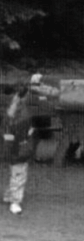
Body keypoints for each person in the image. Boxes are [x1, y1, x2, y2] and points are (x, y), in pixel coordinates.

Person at [2, 85, 33, 215]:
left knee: (17, 171)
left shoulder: (14, 109)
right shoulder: (23, 113)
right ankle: (14, 200)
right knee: (18, 172)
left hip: (7, 142)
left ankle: (11, 195)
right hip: (16, 144)